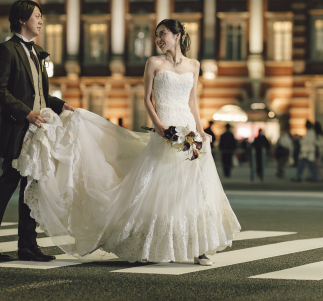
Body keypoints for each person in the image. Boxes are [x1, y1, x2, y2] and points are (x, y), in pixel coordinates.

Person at [14, 18, 240, 265]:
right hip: (164, 126)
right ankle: (147, 244)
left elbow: (192, 102)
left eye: (162, 34)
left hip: (186, 128)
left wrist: (201, 129)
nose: (158, 39)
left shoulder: (194, 65)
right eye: (156, 35)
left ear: (177, 35)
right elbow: (146, 99)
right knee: (154, 185)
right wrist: (159, 125)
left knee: (192, 188)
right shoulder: (153, 62)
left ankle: (199, 247)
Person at [0, 0, 74, 262]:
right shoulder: (6, 49)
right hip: (19, 128)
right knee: (7, 184)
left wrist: (60, 104)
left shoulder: (38, 51)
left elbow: (38, 94)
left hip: (38, 131)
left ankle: (27, 245)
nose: (41, 21)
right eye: (37, 16)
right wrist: (25, 112)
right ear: (22, 20)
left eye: (41, 16)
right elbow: (0, 90)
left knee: (33, 188)